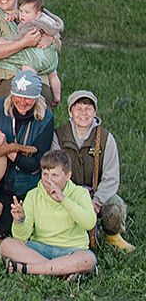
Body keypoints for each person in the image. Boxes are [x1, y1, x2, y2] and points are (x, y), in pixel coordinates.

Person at [55, 91, 134, 252]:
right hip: (69, 194)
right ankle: (62, 236)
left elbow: (111, 178)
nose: (83, 113)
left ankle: (112, 237)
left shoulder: (105, 138)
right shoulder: (59, 136)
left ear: (95, 112)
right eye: (78, 108)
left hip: (95, 194)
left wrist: (95, 202)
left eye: (88, 109)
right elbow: (55, 172)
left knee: (115, 206)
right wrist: (70, 199)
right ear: (70, 112)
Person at [0, 149, 98, 277]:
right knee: (6, 245)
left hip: (71, 249)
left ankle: (27, 269)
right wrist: (19, 220)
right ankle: (61, 270)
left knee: (88, 259)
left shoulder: (80, 193)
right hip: (40, 248)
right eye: (45, 174)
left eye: (55, 175)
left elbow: (89, 223)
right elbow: (22, 237)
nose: (49, 180)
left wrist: (63, 200)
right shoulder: (33, 195)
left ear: (68, 176)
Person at [0, 70, 55, 221]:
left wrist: (6, 147)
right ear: (11, 94)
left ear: (36, 98)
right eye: (18, 96)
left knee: (25, 228)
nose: (22, 103)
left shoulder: (45, 119)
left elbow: (35, 165)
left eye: (28, 99)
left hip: (28, 186)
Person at [0, 0, 64, 107]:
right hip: (52, 57)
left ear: (38, 14)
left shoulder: (32, 25)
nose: (22, 15)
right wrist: (15, 16)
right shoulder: (46, 21)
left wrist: (8, 42)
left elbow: (22, 39)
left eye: (27, 12)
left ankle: (32, 95)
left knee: (26, 71)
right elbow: (55, 32)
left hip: (38, 58)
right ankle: (57, 96)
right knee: (53, 76)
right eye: (21, 11)